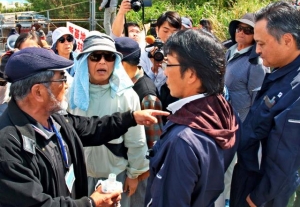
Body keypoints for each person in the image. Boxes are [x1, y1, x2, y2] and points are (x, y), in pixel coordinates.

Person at [0, 47, 169, 207]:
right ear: (38, 92)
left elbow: (91, 127)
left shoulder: (54, 120)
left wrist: (131, 118)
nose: (66, 85)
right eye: (62, 79)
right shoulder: (8, 146)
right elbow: (37, 203)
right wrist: (90, 203)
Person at [145, 29, 239, 207]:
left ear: (191, 74)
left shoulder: (183, 140)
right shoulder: (226, 112)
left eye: (169, 64)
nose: (165, 72)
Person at [230, 0, 300, 207]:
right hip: (249, 177)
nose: (257, 50)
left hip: (263, 194)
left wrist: (259, 197)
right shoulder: (281, 73)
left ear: (287, 40)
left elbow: (286, 157)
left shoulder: (295, 89)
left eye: (261, 43)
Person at [68, 31, 149, 207]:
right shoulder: (72, 96)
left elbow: (137, 140)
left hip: (116, 177)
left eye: (109, 56)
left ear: (116, 62)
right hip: (80, 178)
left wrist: (134, 175)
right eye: (95, 56)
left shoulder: (127, 95)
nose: (102, 61)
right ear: (84, 61)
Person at [216, 13, 269, 207]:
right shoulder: (229, 51)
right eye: (239, 28)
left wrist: (245, 128)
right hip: (221, 120)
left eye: (248, 30)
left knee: (230, 167)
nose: (242, 33)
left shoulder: (255, 63)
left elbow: (257, 100)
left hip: (240, 125)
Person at [114, 37, 164, 206]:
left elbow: (154, 146)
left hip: (139, 176)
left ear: (122, 63)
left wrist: (136, 176)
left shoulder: (146, 94)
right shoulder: (127, 85)